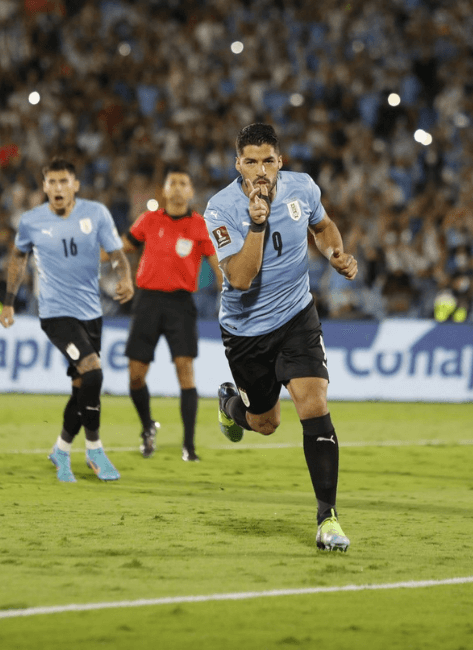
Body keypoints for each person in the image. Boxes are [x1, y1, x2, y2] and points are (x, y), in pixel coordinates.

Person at [203, 124, 358, 552]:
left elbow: (323, 227)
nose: (259, 171)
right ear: (238, 164)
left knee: (314, 402)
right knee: (265, 423)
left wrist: (335, 255)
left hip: (296, 316)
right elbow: (239, 277)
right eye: (250, 161)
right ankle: (231, 405)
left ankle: (328, 518)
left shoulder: (303, 189)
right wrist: (257, 225)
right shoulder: (219, 209)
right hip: (246, 331)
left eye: (267, 161)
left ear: (280, 161)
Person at [0, 158, 134, 483]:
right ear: (45, 187)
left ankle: (60, 449)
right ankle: (94, 449)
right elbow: (18, 259)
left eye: (64, 182)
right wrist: (8, 302)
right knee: (94, 373)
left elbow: (117, 255)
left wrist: (125, 278)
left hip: (91, 313)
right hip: (55, 314)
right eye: (52, 182)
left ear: (75, 185)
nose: (58, 188)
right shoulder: (31, 221)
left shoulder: (97, 213)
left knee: (82, 388)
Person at [121, 169, 223, 462]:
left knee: (185, 371)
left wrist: (228, 291)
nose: (178, 189)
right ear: (164, 190)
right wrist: (93, 255)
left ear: (190, 192)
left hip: (180, 303)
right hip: (147, 301)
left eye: (183, 184)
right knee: (136, 376)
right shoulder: (149, 220)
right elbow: (124, 245)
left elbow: (217, 267)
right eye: (172, 184)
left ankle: (188, 446)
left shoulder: (199, 226)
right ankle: (147, 427)